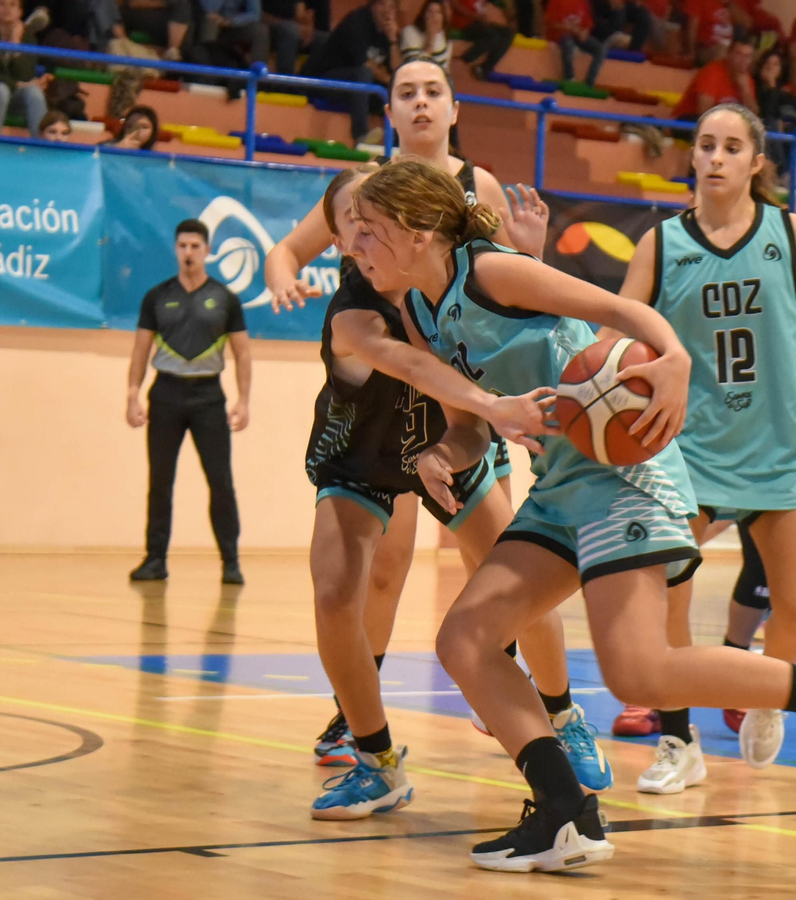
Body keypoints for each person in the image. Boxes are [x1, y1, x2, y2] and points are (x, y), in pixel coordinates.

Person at [350, 153, 796, 871]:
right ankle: (565, 813)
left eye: (368, 230)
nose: (353, 246)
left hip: (625, 472)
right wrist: (444, 452)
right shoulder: (419, 310)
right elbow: (471, 422)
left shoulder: (491, 270)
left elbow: (620, 311)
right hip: (560, 483)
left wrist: (676, 356)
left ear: (418, 230)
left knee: (640, 672)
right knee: (466, 638)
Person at [264, 57, 564, 764]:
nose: (421, 103)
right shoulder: (358, 190)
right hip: (373, 411)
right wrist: (281, 276)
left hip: (452, 408)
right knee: (377, 573)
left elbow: (505, 289)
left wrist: (530, 255)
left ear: (455, 110)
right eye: (408, 93)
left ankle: (548, 709)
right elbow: (288, 250)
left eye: (434, 92)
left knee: (512, 568)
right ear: (388, 112)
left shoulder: (474, 186)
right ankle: (356, 718)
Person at [296, 168, 612, 819]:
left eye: (370, 217)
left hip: (441, 445)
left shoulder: (443, 277)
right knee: (333, 589)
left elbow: (523, 317)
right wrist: (494, 407)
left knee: (519, 582)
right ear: (339, 239)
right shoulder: (355, 310)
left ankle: (562, 714)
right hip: (358, 456)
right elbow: (415, 365)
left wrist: (530, 253)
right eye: (350, 221)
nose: (361, 229)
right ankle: (374, 758)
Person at [612, 102, 796, 789]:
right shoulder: (661, 244)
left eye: (731, 148)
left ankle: (761, 698)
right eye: (705, 145)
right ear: (692, 158)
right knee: (667, 601)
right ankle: (676, 744)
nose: (716, 157)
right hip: (689, 452)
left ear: (757, 164)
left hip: (777, 448)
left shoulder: (791, 233)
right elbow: (616, 335)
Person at [125, 219, 252, 585]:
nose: (188, 253)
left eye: (196, 246)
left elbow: (242, 354)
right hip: (165, 395)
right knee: (160, 481)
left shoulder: (226, 299)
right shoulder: (157, 296)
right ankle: (155, 560)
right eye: (182, 246)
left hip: (208, 397)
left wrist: (243, 400)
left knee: (220, 481)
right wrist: (133, 393)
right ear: (175, 249)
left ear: (208, 250)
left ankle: (231, 562)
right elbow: (140, 349)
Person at [301, 0, 400, 145]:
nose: (387, 11)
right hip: (325, 81)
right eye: (382, 4)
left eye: (391, 6)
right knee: (364, 74)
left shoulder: (389, 30)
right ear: (371, 6)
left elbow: (398, 69)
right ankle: (360, 135)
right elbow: (366, 65)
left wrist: (393, 40)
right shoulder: (357, 22)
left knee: (396, 93)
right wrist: (392, 81)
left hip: (357, 89)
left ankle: (399, 142)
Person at [0, 0, 51, 138]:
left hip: (11, 94)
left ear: (20, 11)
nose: (7, 9)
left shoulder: (27, 37)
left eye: (12, 5)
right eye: (2, 4)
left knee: (34, 92)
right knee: (0, 90)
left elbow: (26, 75)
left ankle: (41, 146)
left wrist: (15, 46)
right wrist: (18, 84)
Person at [672, 30, 756, 121]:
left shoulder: (747, 79)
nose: (743, 60)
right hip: (687, 122)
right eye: (739, 54)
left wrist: (745, 91)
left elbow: (753, 119)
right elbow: (704, 112)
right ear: (729, 54)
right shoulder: (712, 72)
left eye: (747, 56)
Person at [545, 0, 617, 86]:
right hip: (560, 35)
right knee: (568, 43)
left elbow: (588, 23)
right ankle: (569, 77)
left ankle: (590, 82)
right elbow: (551, 23)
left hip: (578, 35)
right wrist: (571, 30)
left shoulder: (583, 2)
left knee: (600, 49)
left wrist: (584, 32)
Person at [450, 0, 514, 79]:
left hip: (477, 21)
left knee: (507, 33)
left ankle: (485, 68)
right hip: (463, 23)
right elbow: (454, 4)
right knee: (491, 35)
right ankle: (464, 60)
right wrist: (474, 15)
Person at [194, 0, 269, 67]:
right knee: (210, 23)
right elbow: (209, 10)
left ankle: (258, 74)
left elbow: (255, 14)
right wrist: (218, 20)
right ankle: (207, 73)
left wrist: (231, 21)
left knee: (260, 30)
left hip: (232, 26)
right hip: (205, 22)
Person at [263, 0, 325, 75]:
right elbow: (258, 15)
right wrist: (295, 27)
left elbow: (300, 13)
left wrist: (307, 30)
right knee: (290, 31)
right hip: (268, 27)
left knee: (323, 39)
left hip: (294, 27)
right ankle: (285, 82)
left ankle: (307, 80)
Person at [119, 0, 192, 59]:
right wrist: (167, 3)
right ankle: (172, 52)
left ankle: (173, 51)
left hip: (166, 17)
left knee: (187, 12)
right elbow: (132, 3)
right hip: (136, 12)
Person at [399, 0, 450, 66]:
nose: (433, 16)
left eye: (438, 12)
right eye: (430, 11)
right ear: (424, 15)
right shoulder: (410, 32)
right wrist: (430, 40)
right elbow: (415, 67)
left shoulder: (442, 35)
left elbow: (443, 68)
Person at [682, 0, 732, 66]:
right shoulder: (699, 2)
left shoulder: (731, 6)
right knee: (722, 51)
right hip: (705, 47)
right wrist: (691, 52)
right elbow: (692, 27)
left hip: (728, 46)